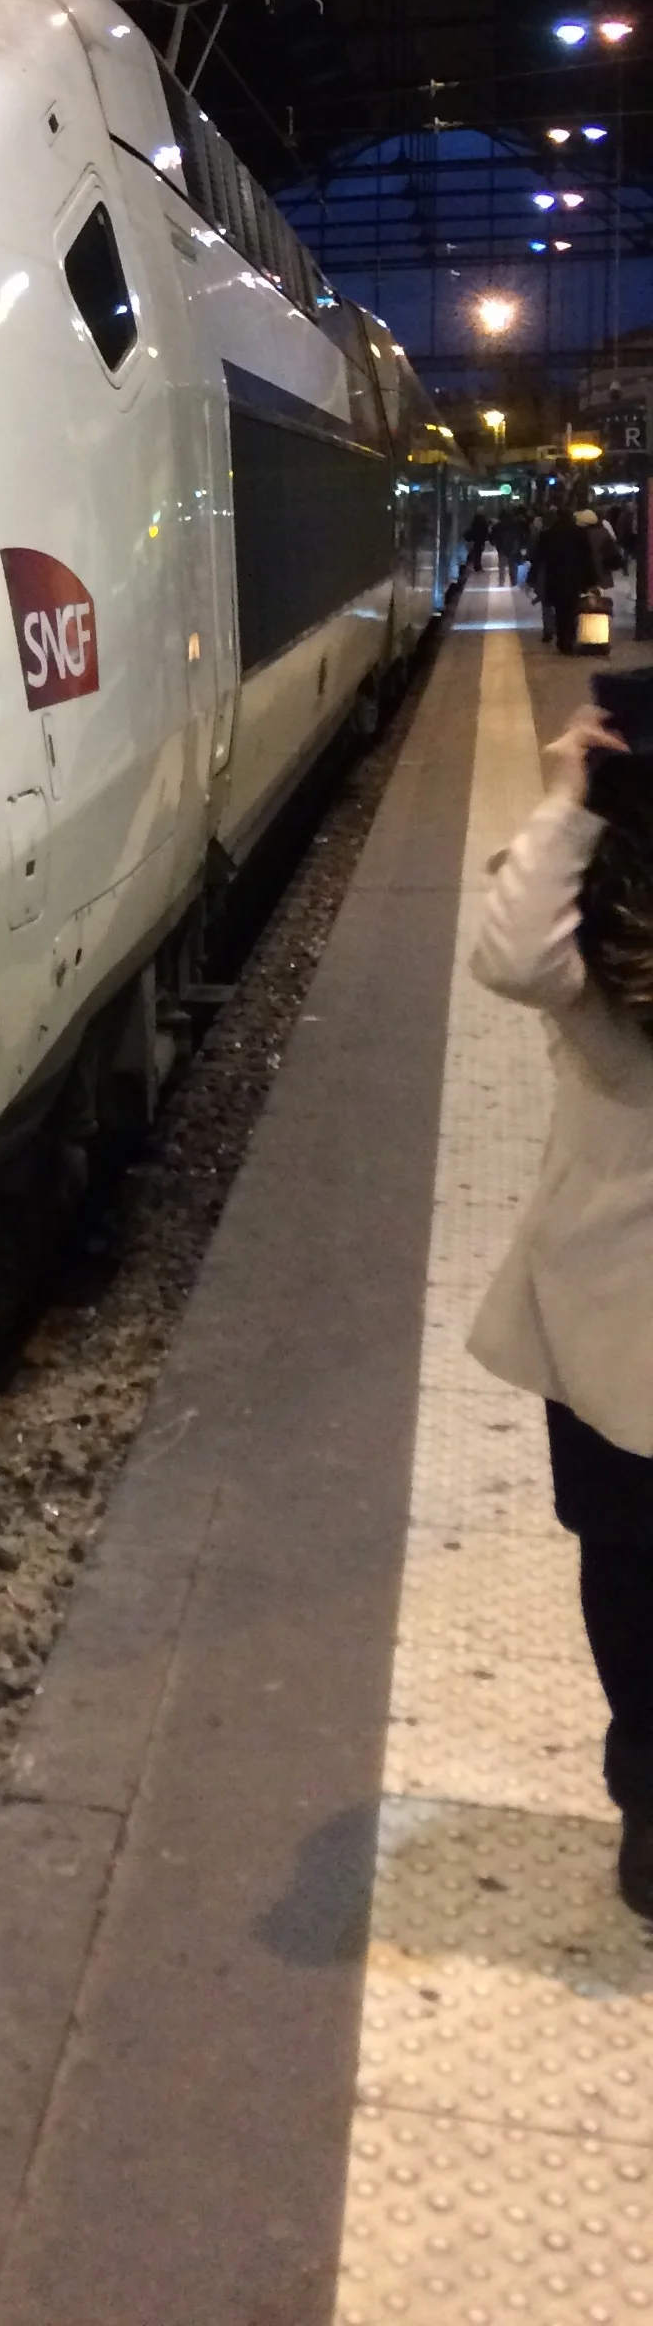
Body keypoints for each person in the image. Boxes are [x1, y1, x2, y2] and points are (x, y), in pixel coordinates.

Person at [469, 696, 653, 1914]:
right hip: (612, 1323)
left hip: (612, 1331)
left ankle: (649, 1807)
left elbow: (513, 954)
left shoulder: (613, 942)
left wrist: (567, 807)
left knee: (628, 1572)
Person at [534, 486, 622, 656]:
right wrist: (591, 579)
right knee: (572, 608)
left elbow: (540, 558)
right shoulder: (579, 534)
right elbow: (587, 557)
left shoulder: (548, 534)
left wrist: (532, 578)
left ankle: (562, 639)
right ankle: (570, 637)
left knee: (560, 610)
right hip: (575, 578)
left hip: (555, 578)